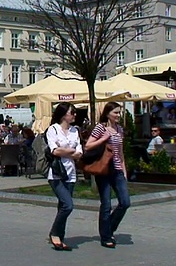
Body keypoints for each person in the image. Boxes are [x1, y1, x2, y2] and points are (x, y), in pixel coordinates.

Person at [85, 102, 131, 249]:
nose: (118, 115)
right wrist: (103, 138)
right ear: (108, 113)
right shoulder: (101, 127)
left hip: (117, 170)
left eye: (119, 112)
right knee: (106, 204)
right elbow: (88, 145)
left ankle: (109, 227)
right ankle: (105, 236)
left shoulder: (119, 129)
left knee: (125, 202)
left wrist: (124, 170)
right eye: (116, 113)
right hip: (104, 169)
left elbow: (121, 152)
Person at [45, 102, 82, 251]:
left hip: (71, 174)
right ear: (63, 114)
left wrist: (67, 151)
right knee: (68, 205)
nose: (74, 115)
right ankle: (54, 233)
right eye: (71, 112)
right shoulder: (53, 129)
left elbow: (79, 152)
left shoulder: (75, 131)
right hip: (57, 174)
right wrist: (71, 151)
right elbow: (55, 151)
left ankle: (60, 237)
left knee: (62, 206)